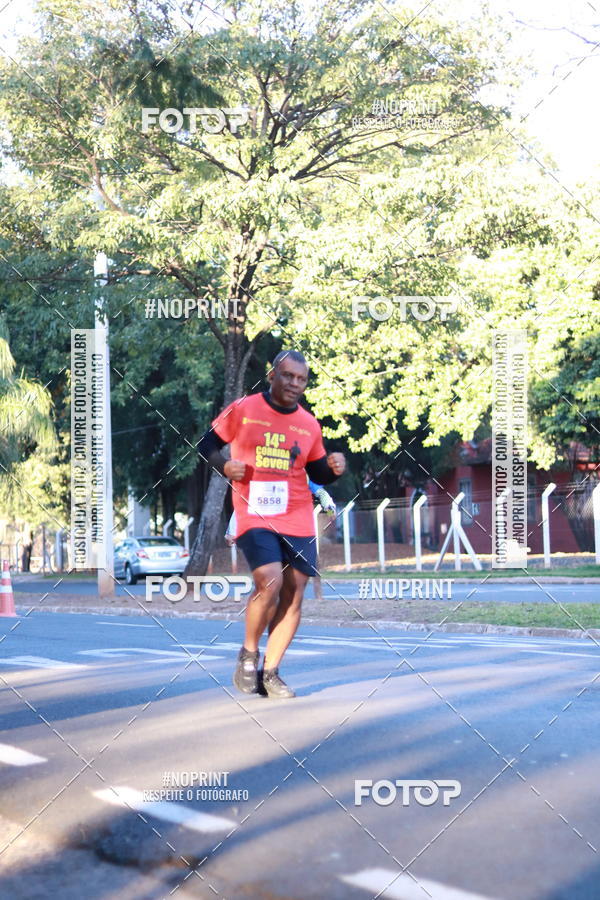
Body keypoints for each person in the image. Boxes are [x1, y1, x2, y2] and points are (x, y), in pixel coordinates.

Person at [198, 349, 345, 698]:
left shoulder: (309, 424)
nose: (294, 383)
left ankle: (271, 672)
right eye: (288, 376)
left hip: (296, 514)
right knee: (270, 581)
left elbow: (317, 470)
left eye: (301, 379)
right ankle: (248, 653)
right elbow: (208, 444)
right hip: (254, 510)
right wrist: (224, 466)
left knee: (295, 595)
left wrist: (334, 468)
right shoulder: (244, 409)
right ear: (272, 376)